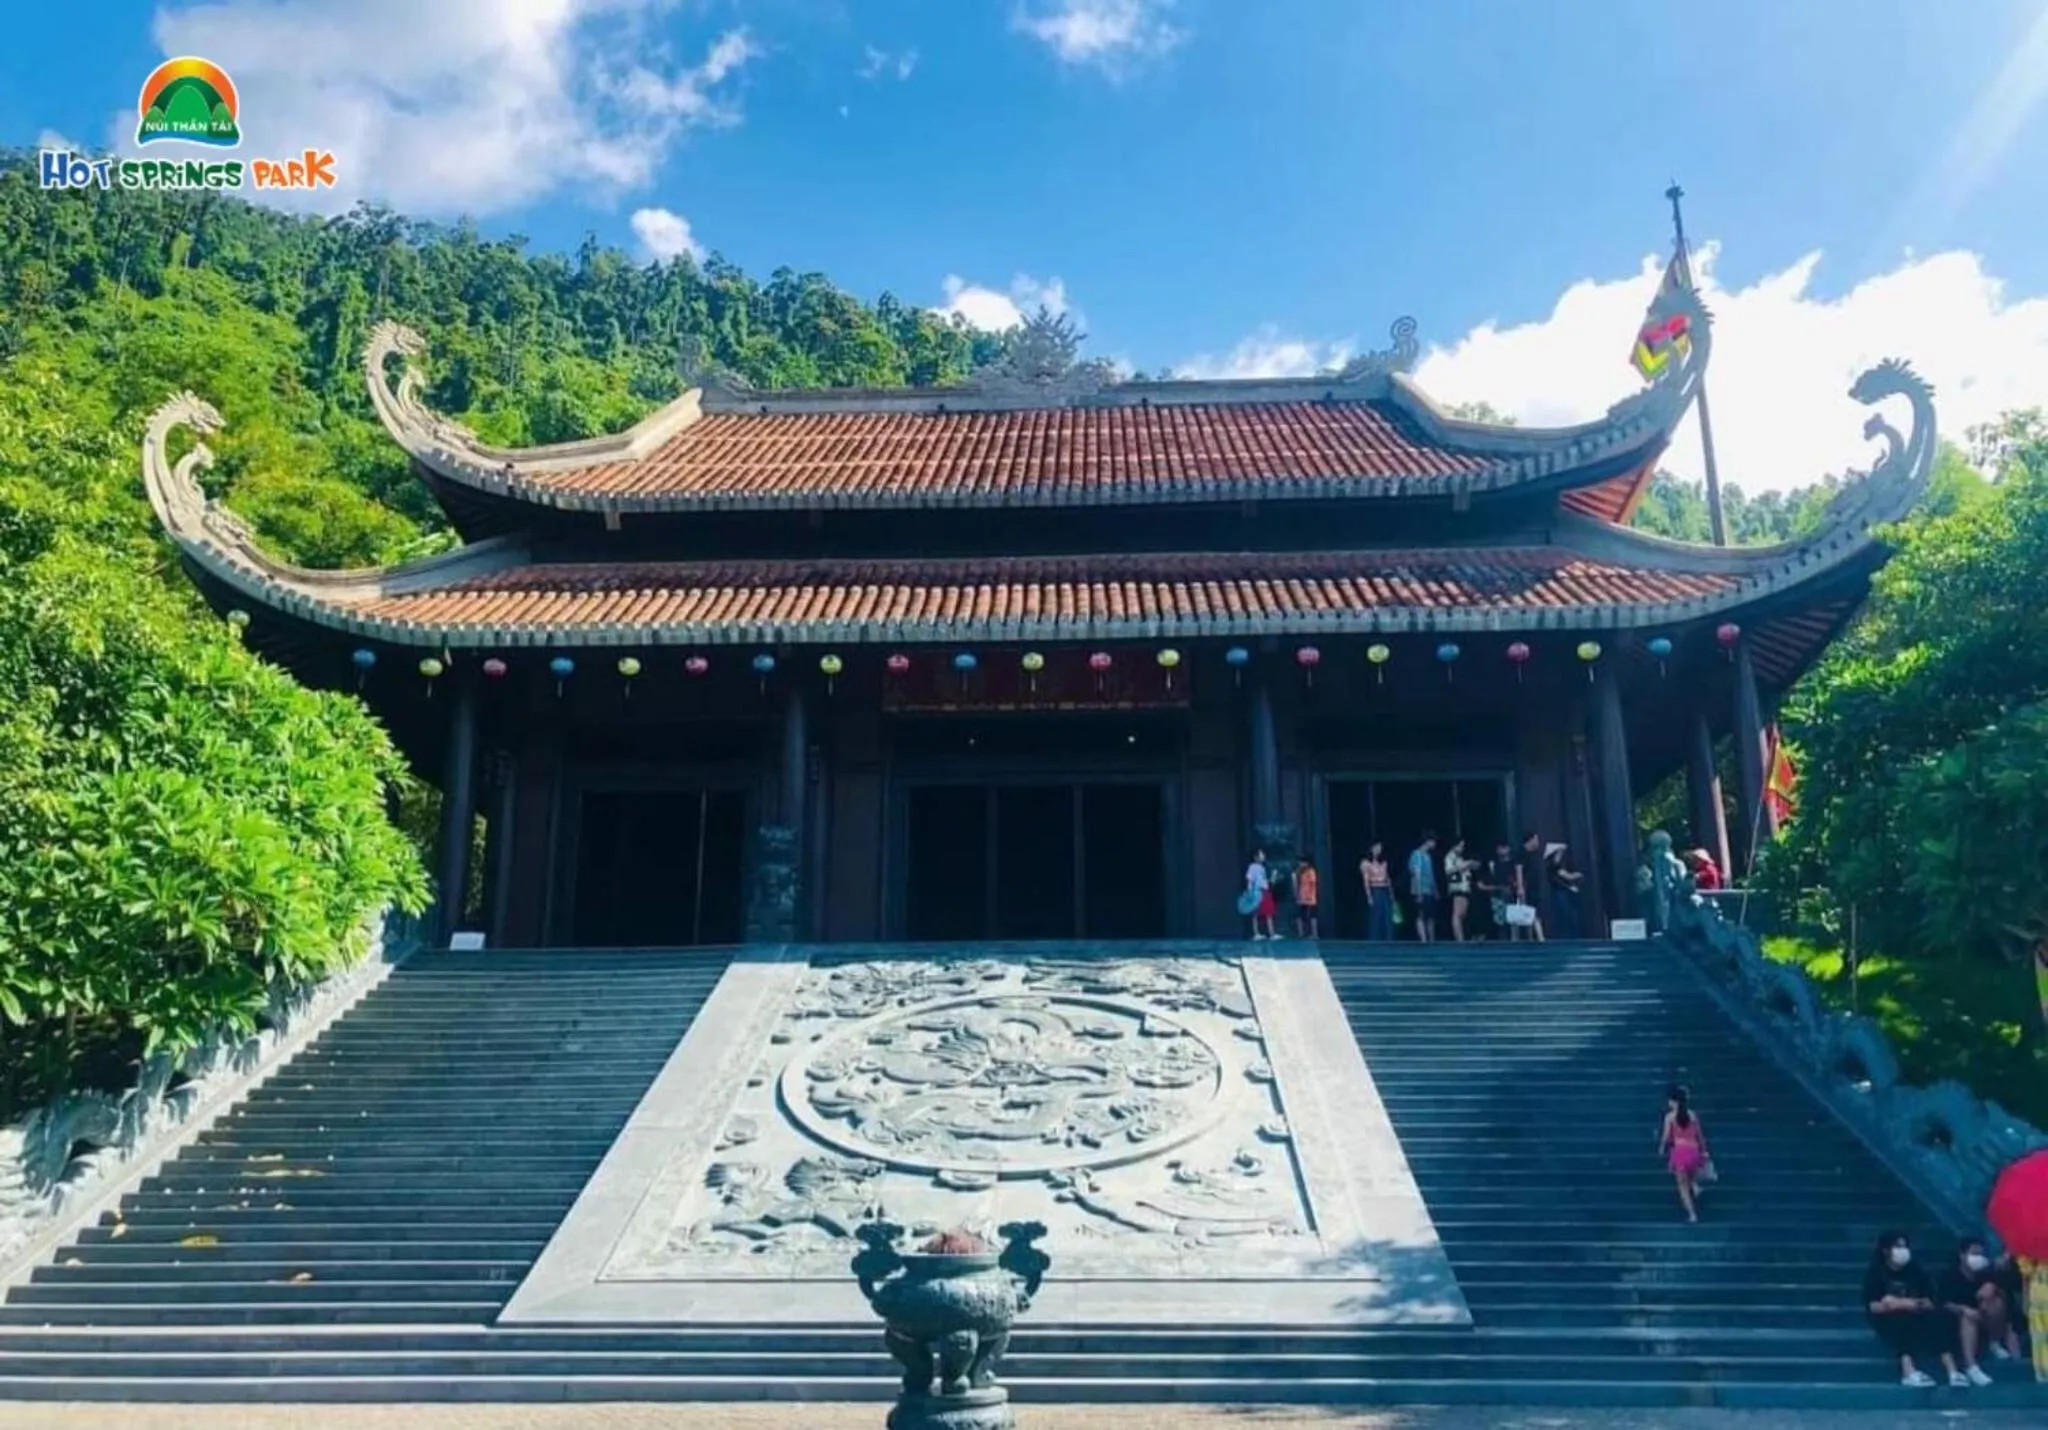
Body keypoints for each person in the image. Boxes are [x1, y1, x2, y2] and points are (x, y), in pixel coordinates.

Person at [1864, 1231, 1968, 1388]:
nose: (1903, 1250)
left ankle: (1952, 1371)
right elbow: (1874, 1306)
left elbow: (1930, 1299)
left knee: (1938, 1319)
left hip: (1917, 1311)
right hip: (1888, 1316)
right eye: (1898, 1246)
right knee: (1902, 1320)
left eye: (1905, 1246)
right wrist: (1900, 1304)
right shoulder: (1876, 1273)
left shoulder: (1915, 1271)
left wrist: (1915, 1304)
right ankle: (1908, 1371)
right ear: (1886, 1250)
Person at [1937, 1237, 2017, 1383]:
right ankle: (1971, 1366)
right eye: (1974, 1253)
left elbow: (2005, 1295)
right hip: (1958, 1319)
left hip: (1985, 1317)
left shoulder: (1987, 1274)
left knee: (1997, 1304)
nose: (1978, 1258)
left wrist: (1994, 1289)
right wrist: (1963, 1309)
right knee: (1968, 1317)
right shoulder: (1949, 1275)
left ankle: (1995, 1343)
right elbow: (1943, 1303)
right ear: (1962, 1255)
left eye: (1980, 1254)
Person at [1657, 1084, 1710, 1223]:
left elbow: (1666, 1136)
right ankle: (1695, 1186)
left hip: (1680, 1151)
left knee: (1682, 1187)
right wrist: (1704, 1151)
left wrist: (1662, 1148)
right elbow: (1700, 1135)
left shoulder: (1670, 1117)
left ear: (1673, 1101)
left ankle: (1693, 1215)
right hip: (1693, 1150)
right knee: (1690, 1173)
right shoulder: (1692, 1115)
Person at [1547, 842, 1585, 940]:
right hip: (1560, 892)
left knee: (1571, 916)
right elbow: (1567, 876)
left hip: (1567, 892)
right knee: (1565, 916)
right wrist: (1575, 875)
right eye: (1559, 853)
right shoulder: (1552, 866)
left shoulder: (1562, 864)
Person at [1516, 831, 1549, 942]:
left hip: (1534, 886)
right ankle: (1539, 936)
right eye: (1536, 839)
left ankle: (1533, 936)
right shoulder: (1521, 853)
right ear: (1530, 840)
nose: (1538, 842)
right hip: (1526, 887)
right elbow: (1518, 869)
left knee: (1530, 912)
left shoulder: (1533, 854)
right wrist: (1520, 887)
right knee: (1531, 911)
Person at [1407, 832, 1439, 943]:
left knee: (1430, 916)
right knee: (1420, 915)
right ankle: (1423, 940)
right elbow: (1417, 874)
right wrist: (1419, 892)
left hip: (1429, 891)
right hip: (1420, 890)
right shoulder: (1416, 854)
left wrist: (1435, 890)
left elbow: (1431, 875)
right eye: (1433, 842)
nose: (1434, 844)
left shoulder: (1428, 856)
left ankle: (1431, 939)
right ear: (1428, 841)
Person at [1483, 839, 1518, 940]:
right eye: (1499, 848)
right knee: (1499, 922)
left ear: (1508, 849)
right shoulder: (1493, 864)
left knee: (1513, 920)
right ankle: (1502, 941)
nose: (1501, 850)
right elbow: (1488, 881)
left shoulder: (1513, 863)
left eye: (1503, 847)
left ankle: (1514, 941)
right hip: (1497, 896)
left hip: (1511, 895)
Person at [1360, 842, 1394, 941]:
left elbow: (1388, 878)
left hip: (1384, 889)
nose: (1378, 849)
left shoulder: (1384, 863)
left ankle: (1388, 938)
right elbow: (1366, 881)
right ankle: (1375, 938)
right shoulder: (1366, 863)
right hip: (1375, 889)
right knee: (1376, 915)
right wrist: (1369, 896)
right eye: (1376, 847)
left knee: (1387, 915)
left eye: (1380, 847)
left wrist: (1391, 893)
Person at [1443, 838, 1475, 942]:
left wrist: (1470, 865)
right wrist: (1463, 866)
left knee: (1463, 913)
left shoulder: (1459, 857)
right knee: (1457, 913)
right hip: (1456, 887)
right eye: (1460, 846)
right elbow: (1449, 870)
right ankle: (1459, 939)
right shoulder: (1450, 856)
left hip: (1465, 886)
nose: (1462, 848)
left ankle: (1461, 936)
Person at [1244, 848, 1278, 942]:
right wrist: (1250, 892)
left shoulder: (1262, 868)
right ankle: (1256, 933)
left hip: (1264, 890)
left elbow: (1263, 881)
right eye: (1261, 854)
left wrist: (1272, 879)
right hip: (1257, 891)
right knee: (1256, 912)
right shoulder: (1252, 867)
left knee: (1268, 911)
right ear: (1256, 857)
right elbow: (1250, 880)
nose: (1263, 856)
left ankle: (1271, 933)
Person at [1294, 857, 1320, 940]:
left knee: (1312, 916)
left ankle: (1314, 934)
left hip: (1310, 898)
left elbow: (1313, 884)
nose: (1300, 864)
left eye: (1302, 863)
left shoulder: (1311, 871)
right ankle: (1301, 933)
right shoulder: (1300, 872)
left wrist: (1311, 895)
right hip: (1302, 897)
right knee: (1301, 916)